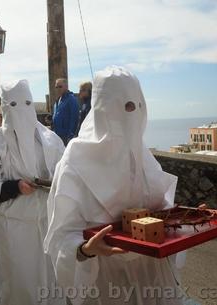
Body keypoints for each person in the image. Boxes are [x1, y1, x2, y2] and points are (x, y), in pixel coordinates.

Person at [44, 66, 193, 305]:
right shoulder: (75, 162)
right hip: (105, 280)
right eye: (126, 107)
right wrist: (84, 249)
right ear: (103, 108)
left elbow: (158, 210)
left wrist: (187, 218)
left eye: (138, 106)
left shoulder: (142, 156)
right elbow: (61, 236)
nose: (133, 115)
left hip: (153, 276)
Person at [0, 79, 65, 305]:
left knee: (51, 280)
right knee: (21, 282)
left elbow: (66, 171)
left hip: (48, 221)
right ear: (4, 107)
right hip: (14, 226)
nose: (21, 109)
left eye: (27, 103)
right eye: (14, 104)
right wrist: (15, 187)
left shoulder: (51, 139)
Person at [52, 78, 79, 145]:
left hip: (66, 136)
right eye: (56, 87)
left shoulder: (71, 99)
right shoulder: (58, 100)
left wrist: (71, 135)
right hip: (57, 134)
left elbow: (74, 118)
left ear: (66, 87)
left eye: (60, 87)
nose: (58, 89)